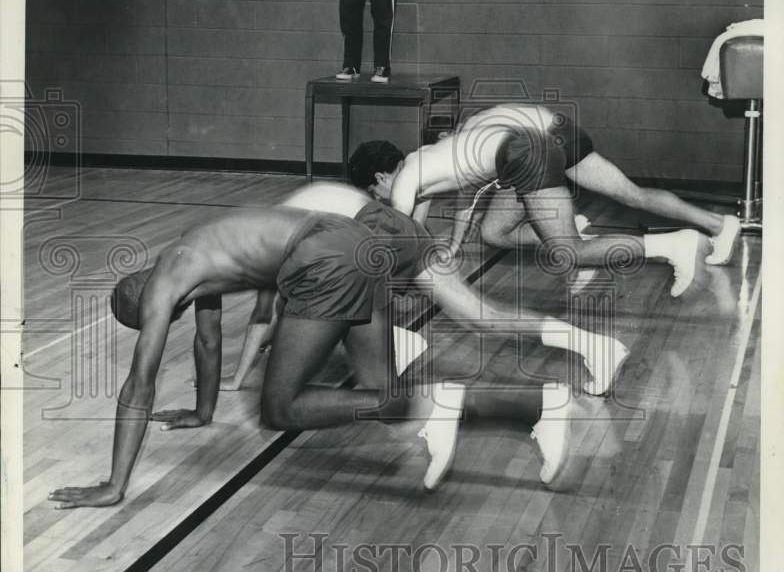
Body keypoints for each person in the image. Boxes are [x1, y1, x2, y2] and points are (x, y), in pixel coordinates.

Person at [47, 203, 589, 510]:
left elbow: (138, 385)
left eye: (150, 319)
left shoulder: (167, 281)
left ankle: (444, 405)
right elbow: (207, 341)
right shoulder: (190, 256)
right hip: (355, 241)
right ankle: (534, 407)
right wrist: (201, 412)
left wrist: (116, 484)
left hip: (323, 260)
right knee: (381, 391)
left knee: (281, 409)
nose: (164, 319)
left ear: (143, 299)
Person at [221, 181, 629, 397]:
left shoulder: (265, 243)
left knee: (326, 302)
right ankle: (593, 345)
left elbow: (265, 315)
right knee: (480, 316)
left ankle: (399, 343)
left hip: (368, 236)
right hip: (394, 227)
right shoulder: (282, 213)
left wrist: (238, 380)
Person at [348, 103, 742, 298]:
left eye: (374, 193)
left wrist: (378, 287)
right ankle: (718, 224)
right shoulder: (434, 158)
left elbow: (399, 235)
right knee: (496, 231)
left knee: (565, 249)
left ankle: (672, 244)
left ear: (381, 177)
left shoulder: (408, 177)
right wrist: (452, 243)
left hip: (524, 150)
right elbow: (459, 200)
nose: (378, 199)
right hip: (552, 130)